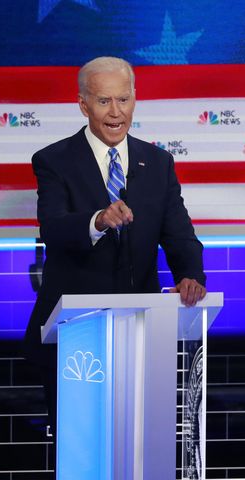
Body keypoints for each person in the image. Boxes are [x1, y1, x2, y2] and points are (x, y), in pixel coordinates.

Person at [23, 56, 207, 438]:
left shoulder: (157, 162)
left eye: (123, 100)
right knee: (81, 446)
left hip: (141, 330)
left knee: (139, 442)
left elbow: (178, 233)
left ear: (135, 100)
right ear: (83, 104)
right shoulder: (54, 160)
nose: (115, 112)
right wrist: (98, 220)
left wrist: (190, 275)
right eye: (104, 101)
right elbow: (53, 228)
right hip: (74, 333)